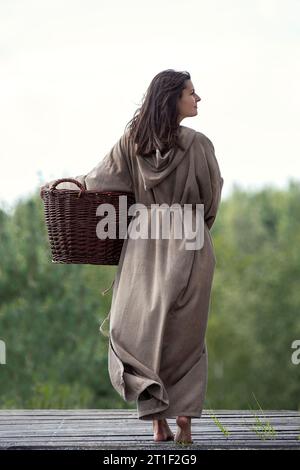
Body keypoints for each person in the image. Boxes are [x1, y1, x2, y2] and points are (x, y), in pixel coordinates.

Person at [41, 69, 224, 444]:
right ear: (172, 98)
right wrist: (193, 226)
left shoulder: (130, 143)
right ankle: (184, 418)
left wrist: (63, 185)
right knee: (184, 333)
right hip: (190, 239)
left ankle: (158, 421)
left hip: (142, 242)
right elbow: (211, 198)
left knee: (137, 333)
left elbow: (96, 182)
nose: (198, 98)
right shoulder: (200, 145)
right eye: (192, 92)